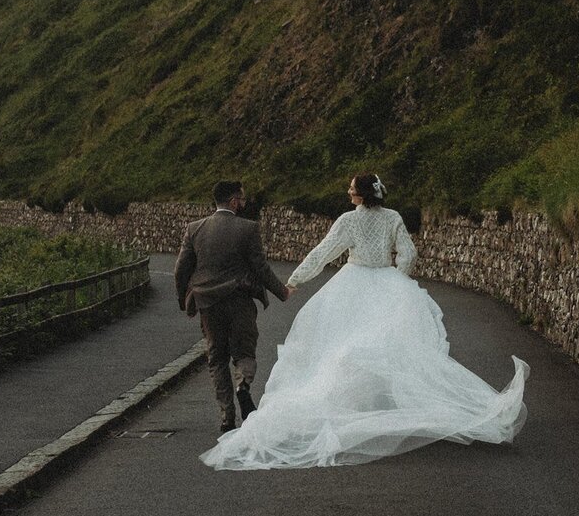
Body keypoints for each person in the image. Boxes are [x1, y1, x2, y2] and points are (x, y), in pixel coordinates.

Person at [200, 173, 528, 469]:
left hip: (352, 282)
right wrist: (397, 280)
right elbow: (409, 253)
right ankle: (393, 404)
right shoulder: (394, 218)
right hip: (386, 279)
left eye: (351, 188)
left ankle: (358, 408)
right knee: (388, 347)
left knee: (345, 345)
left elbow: (323, 252)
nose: (347, 191)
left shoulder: (348, 221)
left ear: (360, 195)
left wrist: (295, 281)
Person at [175, 180, 294, 433]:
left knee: (216, 358)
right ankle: (243, 386)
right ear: (233, 201)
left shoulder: (194, 229)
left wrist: (182, 299)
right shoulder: (248, 229)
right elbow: (260, 268)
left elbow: (180, 269)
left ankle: (226, 417)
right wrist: (282, 292)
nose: (245, 203)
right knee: (244, 353)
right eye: (243, 198)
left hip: (208, 303)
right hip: (240, 300)